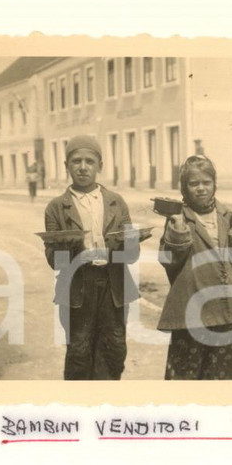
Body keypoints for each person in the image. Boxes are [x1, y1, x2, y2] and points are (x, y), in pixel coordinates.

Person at [43, 135, 141, 380]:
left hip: (113, 285)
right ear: (66, 166)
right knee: (79, 348)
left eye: (89, 161)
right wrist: (69, 246)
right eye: (76, 161)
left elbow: (131, 255)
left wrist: (127, 243)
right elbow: (55, 261)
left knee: (115, 347)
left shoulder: (116, 202)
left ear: (100, 165)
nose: (83, 167)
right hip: (77, 286)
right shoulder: (56, 207)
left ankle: (106, 404)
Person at [157, 155, 232, 380]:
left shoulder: (226, 215)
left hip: (224, 307)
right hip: (192, 308)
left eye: (206, 183)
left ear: (214, 185)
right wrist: (179, 230)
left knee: (224, 375)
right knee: (187, 375)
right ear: (184, 187)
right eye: (194, 184)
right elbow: (168, 260)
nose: (201, 188)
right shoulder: (178, 217)